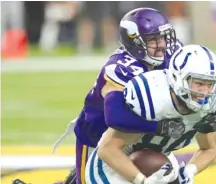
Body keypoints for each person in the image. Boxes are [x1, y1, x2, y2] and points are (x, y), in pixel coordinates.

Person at [55, 7, 184, 184]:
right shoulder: (121, 68)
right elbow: (115, 118)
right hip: (98, 136)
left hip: (138, 135)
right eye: (153, 39)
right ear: (135, 42)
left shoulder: (171, 54)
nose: (161, 44)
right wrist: (159, 127)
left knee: (160, 173)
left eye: (162, 37)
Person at [84, 44, 216, 184]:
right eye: (199, 83)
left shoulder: (210, 104)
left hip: (158, 162)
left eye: (209, 84)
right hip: (112, 165)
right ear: (177, 78)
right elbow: (107, 149)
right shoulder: (154, 100)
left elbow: (209, 148)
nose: (205, 92)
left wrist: (188, 171)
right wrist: (142, 181)